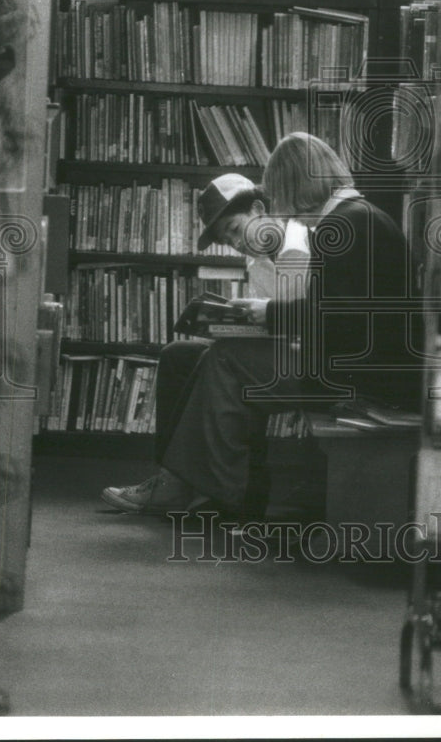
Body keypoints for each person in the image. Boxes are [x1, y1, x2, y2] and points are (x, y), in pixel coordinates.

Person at [102, 134, 423, 519]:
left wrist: (268, 314)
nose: (285, 211)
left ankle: (219, 495)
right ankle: (188, 483)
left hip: (354, 375)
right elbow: (340, 316)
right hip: (347, 362)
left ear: (298, 187)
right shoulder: (351, 220)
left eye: (283, 197)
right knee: (187, 357)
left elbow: (338, 320)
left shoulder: (340, 228)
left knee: (225, 360)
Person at [102, 172, 308, 515]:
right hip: (284, 351)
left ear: (259, 208)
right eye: (228, 240)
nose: (236, 243)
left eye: (236, 230)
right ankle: (170, 478)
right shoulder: (258, 260)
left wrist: (261, 320)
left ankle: (219, 494)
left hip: (313, 359)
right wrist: (232, 323)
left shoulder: (298, 247)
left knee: (225, 357)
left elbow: (307, 323)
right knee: (178, 355)